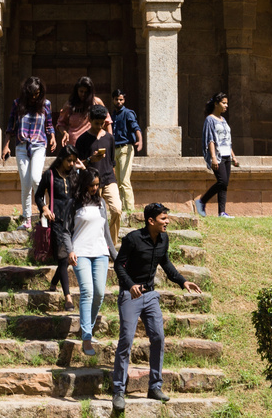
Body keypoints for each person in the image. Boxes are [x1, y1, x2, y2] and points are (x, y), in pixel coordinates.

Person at [111, 202, 203, 412]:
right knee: (126, 340)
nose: (167, 222)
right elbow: (118, 264)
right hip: (130, 294)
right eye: (163, 219)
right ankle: (118, 391)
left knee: (158, 338)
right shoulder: (133, 239)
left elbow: (166, 264)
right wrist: (130, 285)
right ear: (151, 221)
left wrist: (182, 281)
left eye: (167, 218)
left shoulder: (163, 239)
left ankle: (155, 386)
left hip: (150, 295)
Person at [68, 168, 117, 356]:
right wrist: (70, 250)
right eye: (92, 185)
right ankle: (87, 336)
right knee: (87, 292)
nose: (95, 188)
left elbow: (106, 233)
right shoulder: (74, 203)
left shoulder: (102, 203)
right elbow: (66, 230)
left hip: (100, 253)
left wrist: (115, 255)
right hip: (80, 252)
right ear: (84, 184)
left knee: (99, 293)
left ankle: (87, 326)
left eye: (97, 185)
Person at [1, 75, 56, 229]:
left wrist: (52, 137)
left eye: (36, 94)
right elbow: (10, 127)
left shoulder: (46, 104)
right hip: (22, 146)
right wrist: (6, 146)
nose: (33, 97)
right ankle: (27, 220)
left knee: (36, 179)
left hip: (39, 145)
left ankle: (43, 215)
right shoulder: (18, 104)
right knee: (25, 184)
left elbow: (49, 124)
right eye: (31, 94)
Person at [33, 145, 82, 300]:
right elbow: (39, 196)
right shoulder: (50, 175)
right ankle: (67, 296)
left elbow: (86, 190)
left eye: (74, 161)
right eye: (69, 161)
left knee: (67, 258)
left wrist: (84, 169)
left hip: (73, 221)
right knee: (63, 257)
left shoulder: (75, 175)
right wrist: (45, 209)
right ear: (61, 159)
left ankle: (54, 282)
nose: (72, 164)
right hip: (57, 222)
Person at [74, 103, 124, 245]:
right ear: (90, 120)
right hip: (90, 182)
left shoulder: (109, 138)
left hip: (109, 179)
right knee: (93, 215)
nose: (100, 126)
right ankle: (95, 243)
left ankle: (111, 246)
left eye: (102, 123)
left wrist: (114, 180)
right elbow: (77, 164)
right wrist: (91, 159)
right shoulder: (82, 140)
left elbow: (112, 162)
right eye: (97, 123)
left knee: (117, 210)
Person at [191, 91, 238, 218]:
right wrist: (213, 158)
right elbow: (210, 139)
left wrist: (233, 156)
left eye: (227, 103)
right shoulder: (210, 119)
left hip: (227, 155)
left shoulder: (223, 120)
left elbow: (227, 140)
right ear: (216, 104)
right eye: (224, 103)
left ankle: (222, 212)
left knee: (224, 184)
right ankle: (201, 201)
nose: (226, 106)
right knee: (222, 182)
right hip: (217, 156)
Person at [110, 88, 143, 215]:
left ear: (124, 100)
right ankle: (122, 208)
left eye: (121, 99)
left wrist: (140, 140)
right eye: (116, 99)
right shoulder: (113, 115)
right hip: (116, 149)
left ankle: (130, 210)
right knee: (118, 181)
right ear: (113, 99)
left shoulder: (128, 113)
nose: (118, 102)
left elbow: (136, 127)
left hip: (125, 148)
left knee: (124, 180)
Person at [55, 76, 112, 147]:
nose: (83, 94)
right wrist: (64, 133)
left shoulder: (96, 102)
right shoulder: (69, 105)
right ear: (77, 91)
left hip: (93, 142)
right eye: (81, 91)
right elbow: (60, 123)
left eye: (86, 92)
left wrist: (110, 139)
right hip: (74, 143)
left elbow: (107, 121)